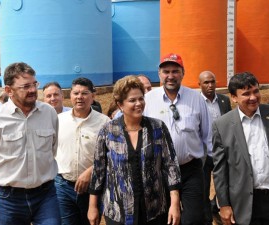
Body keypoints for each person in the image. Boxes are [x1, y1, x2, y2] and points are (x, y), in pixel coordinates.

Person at [88, 75, 181, 225]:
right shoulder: (108, 131)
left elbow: (171, 166)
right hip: (118, 211)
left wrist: (175, 204)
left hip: (154, 210)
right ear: (120, 105)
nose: (138, 103)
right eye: (132, 100)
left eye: (141, 99)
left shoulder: (158, 128)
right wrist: (93, 206)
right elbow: (98, 171)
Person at [0, 62, 61, 225]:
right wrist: (6, 175)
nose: (33, 90)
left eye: (34, 84)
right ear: (9, 90)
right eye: (26, 86)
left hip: (45, 195)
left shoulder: (48, 113)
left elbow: (53, 148)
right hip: (9, 199)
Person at [144, 53, 212, 225]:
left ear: (183, 73)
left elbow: (208, 135)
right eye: (166, 71)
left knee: (194, 219)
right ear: (159, 74)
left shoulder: (196, 98)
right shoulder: (148, 100)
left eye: (175, 71)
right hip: (160, 171)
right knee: (165, 217)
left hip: (191, 170)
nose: (170, 76)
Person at [212, 72, 269, 225]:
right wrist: (224, 205)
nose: (253, 97)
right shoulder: (222, 125)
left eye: (255, 91)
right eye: (246, 94)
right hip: (244, 203)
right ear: (234, 98)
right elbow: (220, 170)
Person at [55, 77, 110, 225]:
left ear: (93, 96)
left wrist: (90, 171)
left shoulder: (105, 123)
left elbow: (110, 155)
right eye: (76, 93)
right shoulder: (58, 120)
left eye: (85, 93)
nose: (80, 97)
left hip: (92, 189)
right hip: (63, 186)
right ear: (70, 96)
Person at [198, 70, 232, 225]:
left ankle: (216, 208)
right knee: (203, 189)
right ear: (200, 85)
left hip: (222, 154)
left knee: (224, 187)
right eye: (206, 82)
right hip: (204, 155)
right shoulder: (196, 101)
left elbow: (231, 124)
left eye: (212, 81)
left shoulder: (224, 100)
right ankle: (206, 218)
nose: (210, 85)